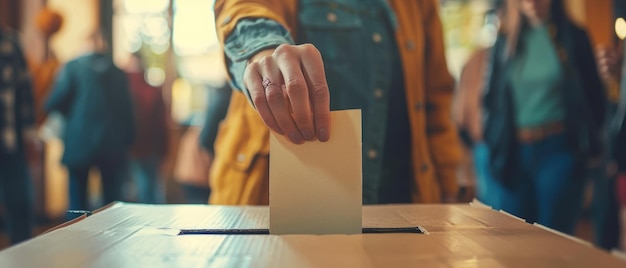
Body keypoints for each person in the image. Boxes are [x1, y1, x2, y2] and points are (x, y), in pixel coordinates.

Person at [210, 0, 461, 205]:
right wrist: (265, 52)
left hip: (400, 201)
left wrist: (449, 188)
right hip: (273, 201)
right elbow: (243, 8)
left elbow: (436, 100)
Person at [481, 0, 606, 234]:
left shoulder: (573, 36)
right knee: (514, 241)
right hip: (515, 153)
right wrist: (493, 143)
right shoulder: (505, 40)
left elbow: (594, 96)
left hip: (559, 152)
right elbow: (491, 99)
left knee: (554, 241)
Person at [45, 30, 135, 218]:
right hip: (112, 144)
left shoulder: (72, 68)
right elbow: (128, 110)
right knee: (112, 205)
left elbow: (54, 102)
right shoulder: (117, 73)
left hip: (79, 142)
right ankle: (112, 244)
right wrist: (128, 140)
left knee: (78, 204)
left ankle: (78, 244)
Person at [0, 27, 35, 244]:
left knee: (20, 205)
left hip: (10, 140)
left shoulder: (10, 44)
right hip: (10, 138)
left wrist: (30, 134)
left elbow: (25, 92)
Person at [125, 52, 168, 204]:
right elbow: (161, 124)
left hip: (125, 148)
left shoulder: (120, 90)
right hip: (149, 147)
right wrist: (163, 149)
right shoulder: (153, 91)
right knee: (150, 190)